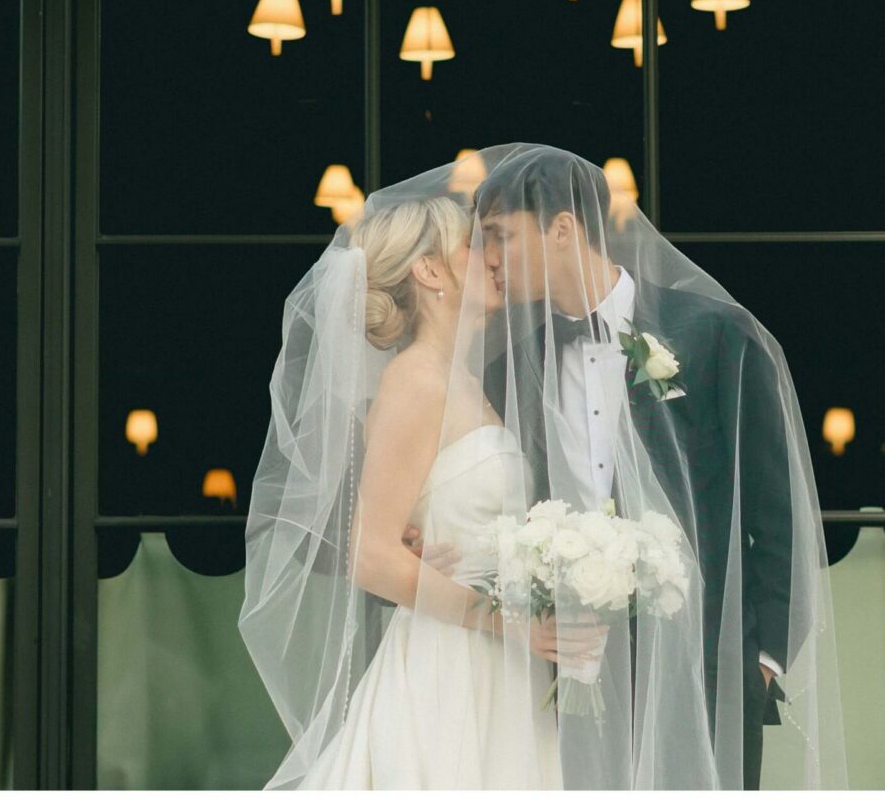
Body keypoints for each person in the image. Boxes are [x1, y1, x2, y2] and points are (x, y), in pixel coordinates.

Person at [239, 144, 847, 790]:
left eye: (497, 236)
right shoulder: (502, 370)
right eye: (477, 242)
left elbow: (776, 513)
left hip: (695, 668)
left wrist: (761, 661)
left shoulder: (714, 336)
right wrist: (415, 547)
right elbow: (368, 521)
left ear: (561, 229)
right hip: (548, 678)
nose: (490, 255)